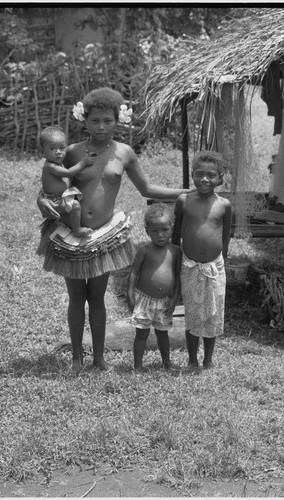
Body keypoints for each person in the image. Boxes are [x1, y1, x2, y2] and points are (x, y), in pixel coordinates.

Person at [37, 87, 194, 374]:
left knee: (96, 297)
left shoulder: (124, 153)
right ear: (84, 120)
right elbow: (49, 184)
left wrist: (189, 191)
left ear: (117, 120)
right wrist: (41, 200)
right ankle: (76, 358)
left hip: (102, 237)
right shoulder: (73, 152)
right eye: (95, 120)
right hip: (71, 234)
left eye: (108, 121)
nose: (101, 126)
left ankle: (98, 358)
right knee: (76, 298)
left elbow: (147, 188)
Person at [172, 150, 232, 369]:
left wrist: (222, 260)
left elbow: (225, 236)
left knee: (212, 314)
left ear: (220, 179)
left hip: (215, 267)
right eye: (199, 174)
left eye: (211, 175)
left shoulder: (224, 205)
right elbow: (175, 234)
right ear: (192, 175)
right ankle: (191, 359)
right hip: (189, 265)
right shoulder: (184, 200)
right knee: (193, 313)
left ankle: (208, 359)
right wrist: (173, 262)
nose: (204, 179)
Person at [127, 203, 182, 371]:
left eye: (165, 230)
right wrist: (130, 295)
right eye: (155, 231)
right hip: (144, 300)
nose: (160, 235)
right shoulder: (144, 251)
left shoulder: (176, 251)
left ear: (172, 229)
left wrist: (174, 299)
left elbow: (178, 276)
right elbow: (134, 273)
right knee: (141, 334)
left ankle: (167, 362)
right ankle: (138, 365)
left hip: (164, 302)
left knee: (163, 334)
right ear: (147, 231)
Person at [40, 126, 93, 238]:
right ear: (43, 151)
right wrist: (84, 162)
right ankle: (77, 230)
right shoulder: (50, 166)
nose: (58, 152)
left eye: (62, 148)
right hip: (54, 201)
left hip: (60, 198)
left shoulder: (59, 162)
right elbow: (68, 173)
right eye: (52, 149)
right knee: (75, 205)